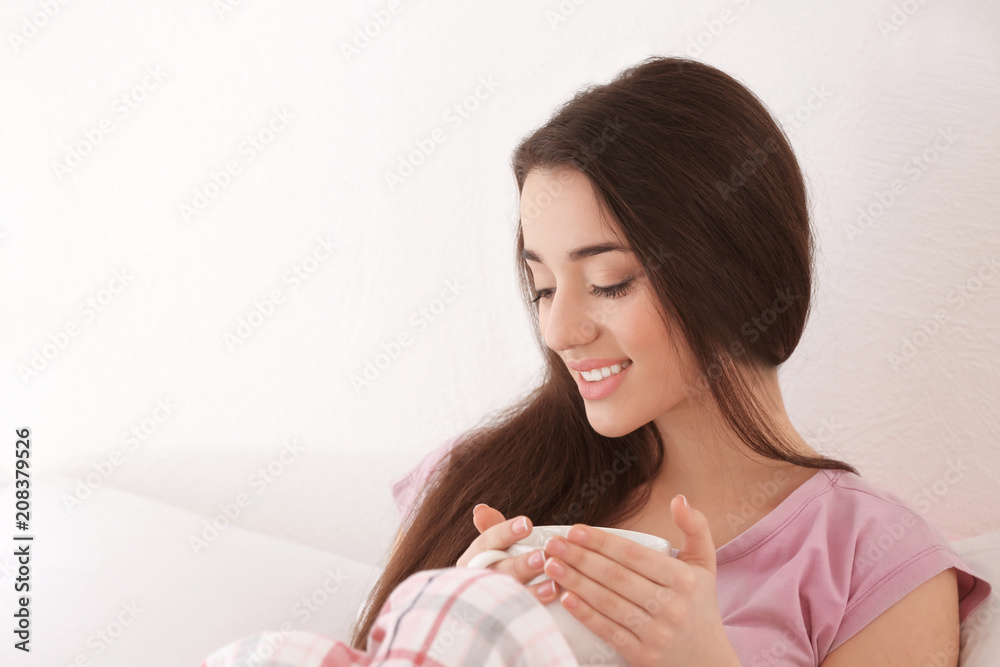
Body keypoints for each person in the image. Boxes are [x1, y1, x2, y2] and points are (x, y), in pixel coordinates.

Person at [202, 55, 993, 666]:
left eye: (608, 282)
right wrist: (449, 613)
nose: (560, 329)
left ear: (733, 267)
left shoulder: (871, 558)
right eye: (543, 286)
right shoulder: (485, 483)